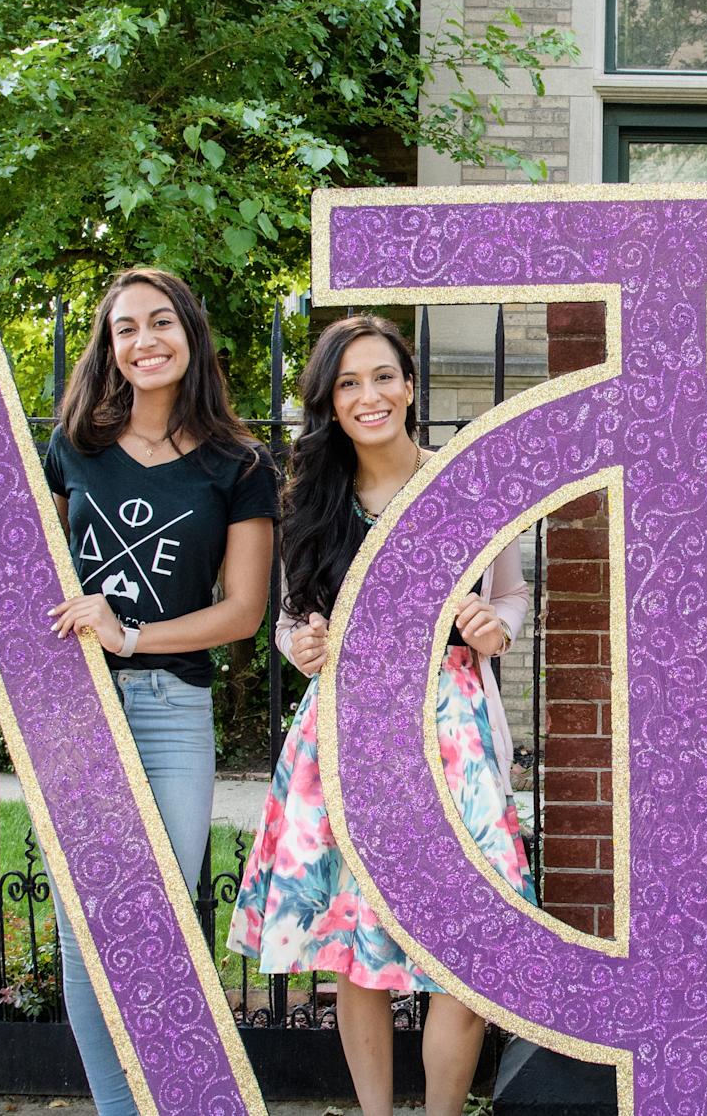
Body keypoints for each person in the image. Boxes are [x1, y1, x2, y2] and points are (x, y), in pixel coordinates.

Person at [0, 269, 276, 1116]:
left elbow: (241, 613)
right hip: (72, 706)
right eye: (125, 328)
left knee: (163, 916)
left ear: (191, 335)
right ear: (111, 348)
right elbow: (26, 578)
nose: (144, 341)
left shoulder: (239, 465)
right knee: (85, 923)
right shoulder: (73, 448)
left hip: (171, 707)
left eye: (161, 322)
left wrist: (131, 635)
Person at [230, 314, 530, 1116]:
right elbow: (292, 617)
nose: (370, 395)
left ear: (410, 385)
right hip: (346, 731)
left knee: (468, 947)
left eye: (383, 377)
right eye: (349, 382)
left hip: (451, 732)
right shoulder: (310, 499)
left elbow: (510, 594)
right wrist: (303, 642)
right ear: (331, 400)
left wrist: (498, 624)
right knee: (352, 947)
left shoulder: (463, 482)